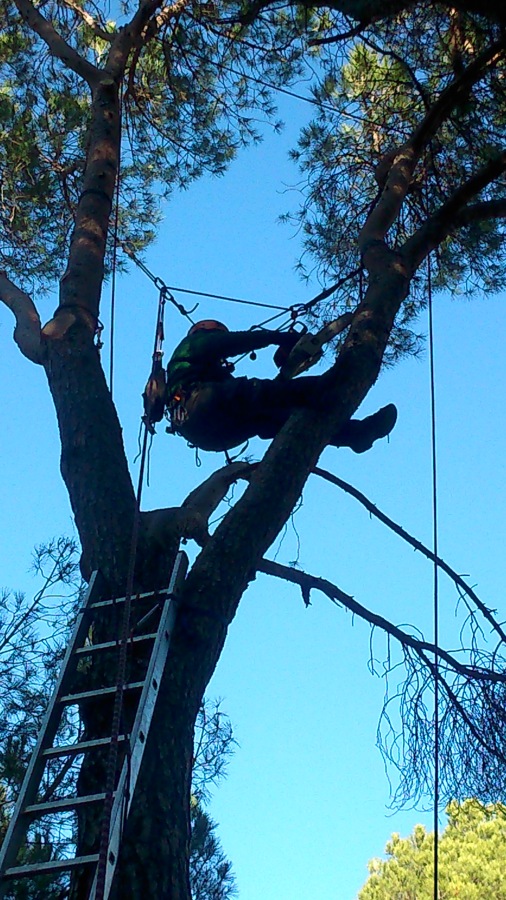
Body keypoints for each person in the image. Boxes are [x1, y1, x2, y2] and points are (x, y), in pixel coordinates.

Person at [164, 319, 397, 453]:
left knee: (275, 418)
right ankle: (331, 383)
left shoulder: (211, 376)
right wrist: (279, 338)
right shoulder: (192, 344)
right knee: (256, 392)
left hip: (207, 436)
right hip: (200, 405)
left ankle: (356, 434)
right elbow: (231, 343)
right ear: (206, 330)